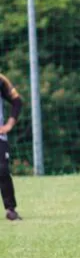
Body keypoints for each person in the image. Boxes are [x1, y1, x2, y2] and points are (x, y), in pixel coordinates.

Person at [0, 73, 24, 221]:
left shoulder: (1, 80)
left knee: (2, 170)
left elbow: (17, 102)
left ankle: (11, 210)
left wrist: (9, 124)